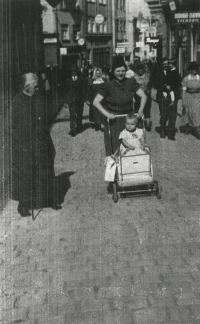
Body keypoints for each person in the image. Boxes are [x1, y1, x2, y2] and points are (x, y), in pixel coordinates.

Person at [11, 73, 61, 217]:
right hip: (25, 144)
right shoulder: (17, 102)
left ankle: (48, 199)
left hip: (42, 140)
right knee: (26, 173)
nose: (37, 87)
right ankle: (24, 205)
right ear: (27, 87)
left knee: (46, 169)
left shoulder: (39, 98)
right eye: (35, 85)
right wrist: (20, 144)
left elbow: (47, 115)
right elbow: (12, 127)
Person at [93, 57, 147, 157]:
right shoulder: (108, 85)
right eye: (118, 71)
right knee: (116, 148)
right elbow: (96, 102)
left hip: (129, 119)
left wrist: (140, 110)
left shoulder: (131, 82)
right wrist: (107, 114)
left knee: (133, 146)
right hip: (114, 121)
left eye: (123, 71)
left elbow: (143, 96)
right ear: (113, 72)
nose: (121, 73)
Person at [63, 65, 85, 136]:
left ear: (77, 71)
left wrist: (86, 99)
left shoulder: (81, 79)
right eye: (72, 71)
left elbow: (84, 90)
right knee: (72, 115)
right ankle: (73, 130)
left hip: (80, 100)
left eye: (75, 71)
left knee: (79, 114)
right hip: (71, 100)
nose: (74, 73)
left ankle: (79, 127)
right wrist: (66, 101)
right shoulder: (67, 80)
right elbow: (65, 91)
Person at [180, 61, 200, 139]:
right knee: (187, 112)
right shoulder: (186, 79)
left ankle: (197, 131)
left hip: (197, 97)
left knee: (196, 113)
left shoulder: (199, 78)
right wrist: (183, 100)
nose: (194, 70)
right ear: (190, 70)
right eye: (192, 69)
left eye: (196, 69)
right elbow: (184, 90)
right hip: (188, 96)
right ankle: (187, 127)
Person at [165, 58, 182, 140]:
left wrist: (170, 87)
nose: (169, 65)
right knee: (168, 113)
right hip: (168, 94)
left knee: (172, 114)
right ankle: (168, 130)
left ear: (173, 64)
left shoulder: (176, 73)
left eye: (170, 64)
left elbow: (178, 84)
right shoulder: (169, 71)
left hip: (173, 95)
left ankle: (171, 133)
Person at [134, 63, 152, 131]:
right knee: (138, 108)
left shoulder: (148, 75)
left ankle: (147, 124)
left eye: (141, 70)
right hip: (138, 95)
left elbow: (150, 83)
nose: (140, 72)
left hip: (147, 94)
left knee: (147, 108)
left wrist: (149, 89)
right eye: (139, 70)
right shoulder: (135, 76)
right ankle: (140, 122)